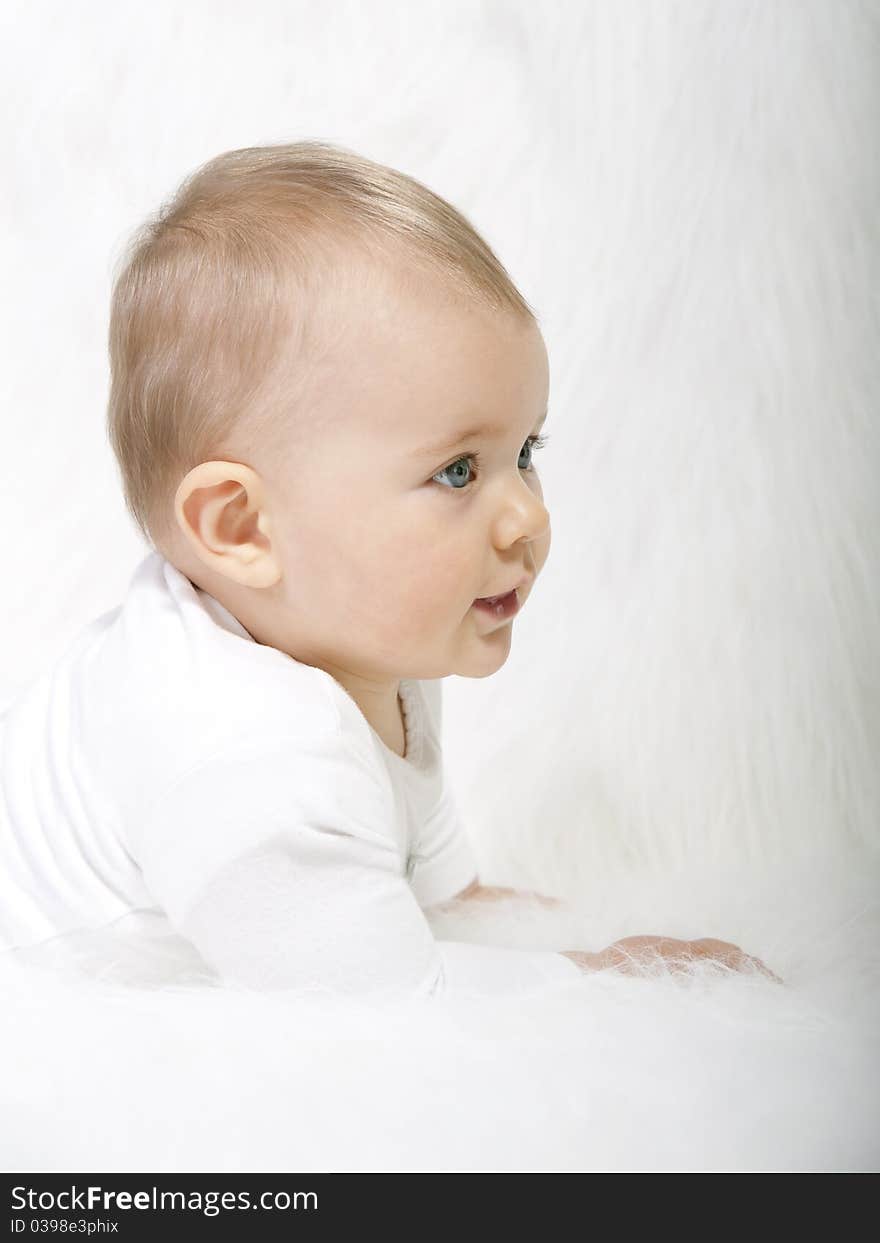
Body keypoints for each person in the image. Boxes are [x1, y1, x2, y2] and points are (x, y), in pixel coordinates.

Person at [0, 141, 779, 997]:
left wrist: (473, 901)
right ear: (241, 526)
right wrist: (600, 975)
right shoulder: (248, 762)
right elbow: (390, 1007)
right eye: (457, 471)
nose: (528, 514)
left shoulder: (365, 632)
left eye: (526, 450)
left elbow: (420, 833)